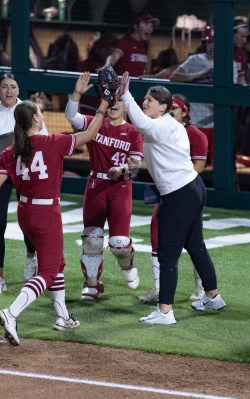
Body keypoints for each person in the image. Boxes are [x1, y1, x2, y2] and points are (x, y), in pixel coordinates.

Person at [0, 72, 111, 345]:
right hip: (45, 214)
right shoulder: (52, 142)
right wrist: (102, 105)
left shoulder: (10, 151)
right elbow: (90, 133)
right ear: (34, 120)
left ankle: (63, 316)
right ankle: (11, 312)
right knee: (47, 271)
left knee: (58, 264)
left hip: (25, 214)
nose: (42, 116)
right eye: (39, 113)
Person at [117, 72, 225, 324]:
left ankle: (165, 311)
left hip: (179, 195)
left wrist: (126, 95)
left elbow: (143, 125)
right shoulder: (169, 125)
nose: (145, 103)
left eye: (150, 100)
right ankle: (212, 296)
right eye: (144, 99)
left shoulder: (162, 124)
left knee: (167, 254)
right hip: (192, 189)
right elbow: (154, 151)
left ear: (163, 107)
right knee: (195, 245)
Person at [64, 71, 144, 301]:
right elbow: (72, 116)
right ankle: (92, 284)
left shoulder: (133, 132)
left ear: (127, 107)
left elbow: (137, 164)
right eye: (112, 100)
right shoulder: (95, 123)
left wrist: (123, 170)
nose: (114, 104)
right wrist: (77, 94)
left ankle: (127, 265)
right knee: (91, 238)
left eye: (119, 101)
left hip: (120, 187)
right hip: (96, 184)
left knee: (119, 243)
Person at [0, 73, 43, 294]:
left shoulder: (30, 110)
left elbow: (43, 138)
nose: (9, 91)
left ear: (19, 89)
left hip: (24, 173)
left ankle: (31, 257)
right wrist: (1, 158)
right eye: (4, 87)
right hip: (2, 171)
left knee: (28, 222)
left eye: (13, 86)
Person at [137, 93, 209, 304]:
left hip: (184, 191)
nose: (169, 112)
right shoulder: (157, 128)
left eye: (173, 109)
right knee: (156, 233)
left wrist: (174, 186)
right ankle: (160, 288)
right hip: (165, 189)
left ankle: (201, 288)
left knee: (193, 242)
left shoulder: (195, 134)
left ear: (184, 112)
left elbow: (198, 168)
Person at [170, 25, 214, 164]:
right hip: (196, 121)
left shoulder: (229, 63)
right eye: (209, 42)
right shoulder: (196, 60)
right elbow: (174, 77)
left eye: (215, 42)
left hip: (218, 123)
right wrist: (201, 74)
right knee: (191, 164)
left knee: (218, 166)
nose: (212, 46)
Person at [105, 12, 160, 77]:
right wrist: (107, 66)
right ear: (136, 26)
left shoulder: (144, 46)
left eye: (151, 26)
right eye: (146, 25)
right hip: (123, 84)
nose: (150, 29)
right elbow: (113, 57)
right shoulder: (125, 42)